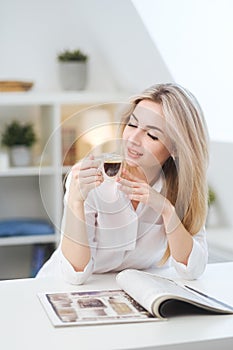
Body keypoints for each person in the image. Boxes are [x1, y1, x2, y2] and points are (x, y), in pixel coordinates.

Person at [37, 83, 209, 284]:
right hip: (60, 289)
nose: (133, 139)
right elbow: (74, 276)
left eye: (152, 135)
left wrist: (165, 209)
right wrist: (75, 202)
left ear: (176, 148)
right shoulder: (95, 180)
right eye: (132, 124)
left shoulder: (180, 192)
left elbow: (193, 269)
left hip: (129, 296)